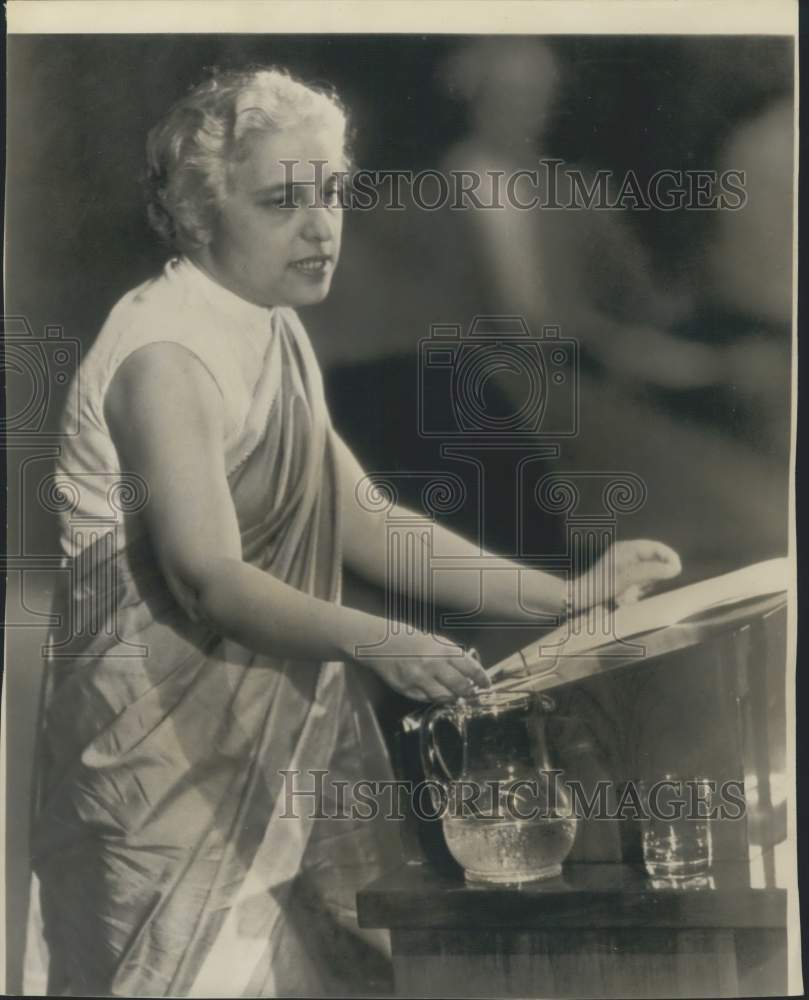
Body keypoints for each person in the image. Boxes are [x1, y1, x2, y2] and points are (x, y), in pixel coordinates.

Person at [27, 66, 681, 997]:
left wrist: (567, 594)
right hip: (162, 775)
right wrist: (377, 637)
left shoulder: (269, 325)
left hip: (268, 750)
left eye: (331, 191)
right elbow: (208, 576)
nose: (320, 224)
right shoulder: (166, 356)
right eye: (281, 201)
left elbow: (365, 520)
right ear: (201, 214)